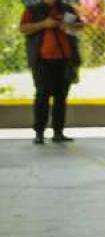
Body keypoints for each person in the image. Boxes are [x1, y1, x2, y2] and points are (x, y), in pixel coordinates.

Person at [19, 0, 82, 145]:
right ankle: (39, 132)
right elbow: (23, 28)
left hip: (65, 60)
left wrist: (67, 26)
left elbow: (79, 27)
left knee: (61, 96)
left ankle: (58, 132)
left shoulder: (66, 9)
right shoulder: (33, 10)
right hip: (42, 60)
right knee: (42, 95)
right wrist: (44, 24)